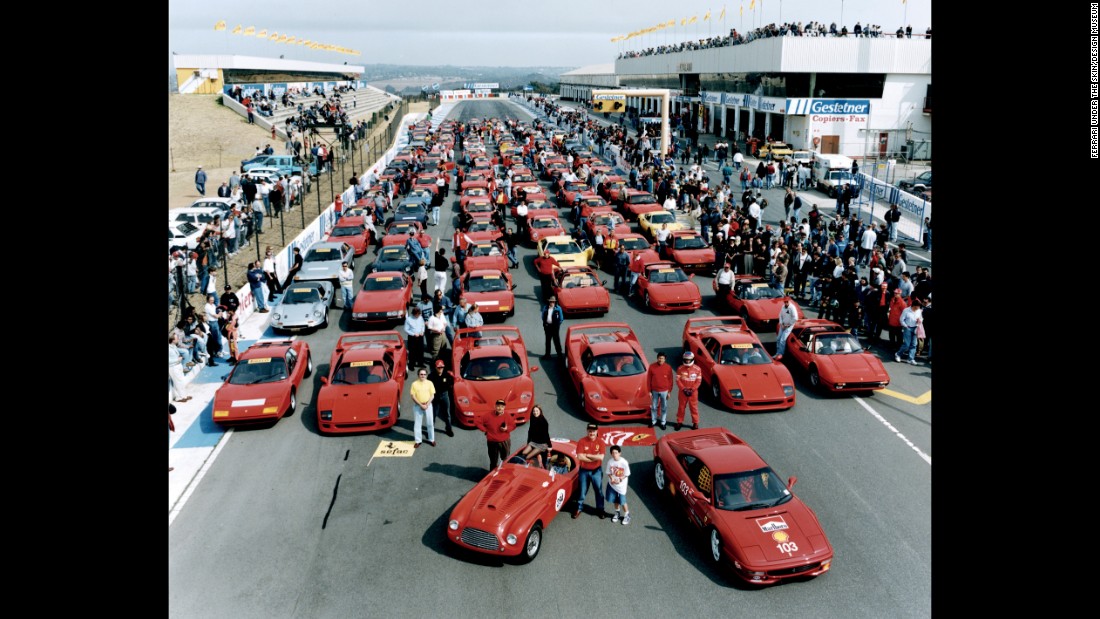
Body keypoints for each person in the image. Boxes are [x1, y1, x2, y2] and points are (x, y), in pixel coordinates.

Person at [573, 423, 607, 519]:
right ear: (587, 431)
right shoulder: (582, 441)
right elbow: (580, 457)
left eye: (593, 431)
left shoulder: (601, 442)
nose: (591, 433)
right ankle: (579, 508)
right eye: (590, 431)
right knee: (582, 491)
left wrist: (588, 455)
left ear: (597, 432)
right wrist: (594, 458)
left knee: (598, 491)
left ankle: (600, 509)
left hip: (597, 471)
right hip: (584, 471)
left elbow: (601, 457)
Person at [474, 399, 516, 470]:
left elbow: (513, 425)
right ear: (495, 406)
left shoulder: (507, 415)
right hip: (492, 442)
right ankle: (492, 474)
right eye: (498, 406)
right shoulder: (488, 415)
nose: (500, 408)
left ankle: (504, 472)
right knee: (493, 461)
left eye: (502, 406)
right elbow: (477, 421)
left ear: (504, 407)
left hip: (504, 441)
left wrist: (506, 429)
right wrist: (485, 430)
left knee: (505, 459)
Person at [674, 351, 703, 431]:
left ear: (692, 359)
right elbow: (678, 380)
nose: (687, 361)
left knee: (694, 408)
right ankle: (679, 422)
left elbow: (698, 381)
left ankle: (695, 423)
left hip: (693, 392)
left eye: (689, 360)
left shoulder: (698, 369)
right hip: (682, 391)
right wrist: (683, 389)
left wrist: (692, 389)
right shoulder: (680, 368)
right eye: (686, 359)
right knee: (681, 407)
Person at [409, 368, 437, 448]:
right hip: (418, 406)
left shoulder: (430, 383)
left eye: (424, 374)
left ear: (426, 375)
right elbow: (413, 396)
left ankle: (431, 439)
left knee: (430, 423)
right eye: (421, 374)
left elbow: (432, 395)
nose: (423, 376)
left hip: (428, 405)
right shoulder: (414, 384)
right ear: (418, 375)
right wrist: (421, 405)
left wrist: (427, 405)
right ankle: (418, 441)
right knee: (417, 424)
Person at [604, 445, 632, 525]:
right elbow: (608, 473)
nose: (614, 454)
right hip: (612, 485)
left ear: (620, 453)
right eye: (613, 453)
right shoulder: (610, 462)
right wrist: (612, 478)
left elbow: (627, 474)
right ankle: (617, 512)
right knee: (615, 500)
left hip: (621, 486)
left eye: (616, 453)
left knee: (622, 501)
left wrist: (620, 479)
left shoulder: (624, 462)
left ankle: (627, 514)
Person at [428, 359, 455, 437]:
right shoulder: (431, 376)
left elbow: (451, 384)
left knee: (447, 413)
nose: (440, 369)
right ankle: (430, 431)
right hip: (435, 396)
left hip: (444, 395)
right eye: (438, 367)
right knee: (433, 414)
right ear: (435, 367)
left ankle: (449, 429)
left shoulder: (447, 375)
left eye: (442, 367)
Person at [647, 352, 673, 429]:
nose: (660, 360)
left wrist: (669, 391)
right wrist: (649, 391)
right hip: (654, 391)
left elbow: (670, 380)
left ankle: (663, 422)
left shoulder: (668, 367)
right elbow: (648, 379)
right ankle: (653, 421)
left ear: (665, 359)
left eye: (662, 358)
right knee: (654, 407)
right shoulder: (652, 367)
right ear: (657, 358)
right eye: (659, 358)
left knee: (664, 407)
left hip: (664, 391)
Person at [896, 298, 922, 365]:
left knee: (914, 344)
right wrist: (906, 326)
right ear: (914, 305)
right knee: (907, 344)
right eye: (917, 306)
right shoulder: (906, 310)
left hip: (915, 328)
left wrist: (920, 320)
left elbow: (921, 318)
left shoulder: (919, 311)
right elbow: (901, 319)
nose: (918, 308)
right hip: (908, 328)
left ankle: (910, 359)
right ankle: (898, 354)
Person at [168, 335, 193, 403]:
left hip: (178, 365)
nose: (178, 339)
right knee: (177, 382)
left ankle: (184, 395)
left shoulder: (174, 346)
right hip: (173, 367)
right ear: (172, 340)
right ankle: (179, 397)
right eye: (177, 338)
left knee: (181, 381)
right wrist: (177, 359)